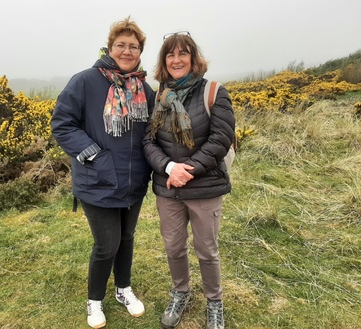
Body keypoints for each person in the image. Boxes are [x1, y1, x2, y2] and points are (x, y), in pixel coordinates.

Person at [51, 17, 155, 329]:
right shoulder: (85, 81)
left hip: (134, 182)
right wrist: (93, 154)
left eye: (133, 46)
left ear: (139, 52)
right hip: (97, 180)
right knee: (107, 244)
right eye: (121, 45)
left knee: (127, 238)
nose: (127, 51)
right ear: (110, 48)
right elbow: (62, 123)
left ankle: (123, 290)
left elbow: (151, 133)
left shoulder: (144, 88)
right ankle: (94, 301)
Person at [143, 31, 235, 329]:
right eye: (170, 54)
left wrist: (189, 169)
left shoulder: (214, 92)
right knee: (173, 247)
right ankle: (180, 292)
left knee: (207, 249)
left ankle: (214, 302)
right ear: (164, 61)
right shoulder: (159, 97)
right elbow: (148, 142)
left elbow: (221, 139)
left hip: (204, 187)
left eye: (183, 53)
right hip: (168, 188)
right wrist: (170, 167)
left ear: (193, 59)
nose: (177, 59)